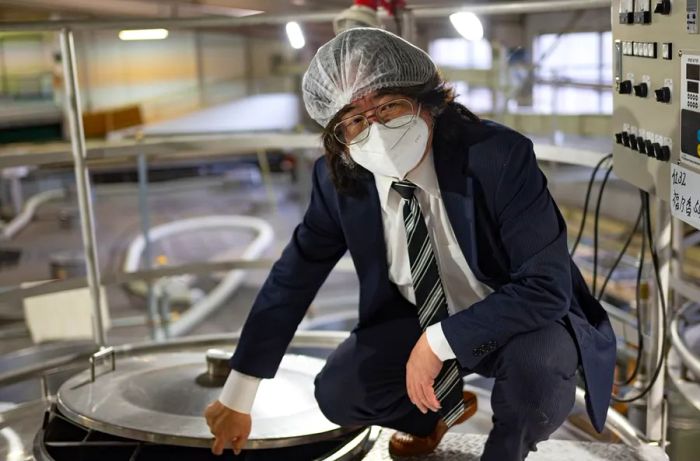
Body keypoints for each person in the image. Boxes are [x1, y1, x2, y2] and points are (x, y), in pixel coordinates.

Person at [204, 27, 616, 460]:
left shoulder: (497, 157)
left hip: (516, 318)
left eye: (388, 106)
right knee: (339, 392)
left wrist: (438, 342)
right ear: (338, 137)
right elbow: (293, 278)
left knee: (537, 377)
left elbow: (547, 288)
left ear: (429, 103)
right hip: (414, 316)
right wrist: (239, 392)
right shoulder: (340, 181)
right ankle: (431, 417)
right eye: (357, 119)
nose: (377, 129)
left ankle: (507, 451)